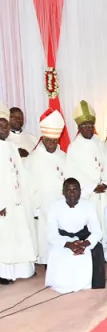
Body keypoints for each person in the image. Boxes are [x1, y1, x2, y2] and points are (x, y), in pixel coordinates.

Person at [45, 179, 105, 294]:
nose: (72, 193)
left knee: (87, 255)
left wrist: (85, 244)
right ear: (63, 192)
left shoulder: (88, 205)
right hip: (62, 241)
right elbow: (51, 234)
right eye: (68, 190)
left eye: (75, 190)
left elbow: (97, 232)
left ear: (80, 192)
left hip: (83, 240)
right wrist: (68, 245)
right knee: (61, 255)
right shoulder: (54, 206)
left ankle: (86, 283)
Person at [26, 108, 67, 265]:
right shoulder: (33, 159)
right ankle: (47, 260)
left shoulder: (63, 156)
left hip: (62, 203)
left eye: (54, 140)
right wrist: (35, 207)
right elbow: (29, 185)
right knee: (45, 233)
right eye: (48, 140)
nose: (52, 143)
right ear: (42, 138)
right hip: (44, 206)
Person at [0, 103, 36, 285]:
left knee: (20, 233)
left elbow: (21, 173)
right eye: (1, 125)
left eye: (5, 125)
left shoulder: (11, 146)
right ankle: (4, 273)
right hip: (3, 203)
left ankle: (22, 270)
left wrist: (27, 195)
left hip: (17, 199)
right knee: (5, 238)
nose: (4, 128)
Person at [65, 101, 107, 235]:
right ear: (79, 127)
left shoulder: (100, 143)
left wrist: (105, 183)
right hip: (88, 196)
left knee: (105, 226)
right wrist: (92, 187)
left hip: (104, 195)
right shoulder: (74, 147)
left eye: (91, 125)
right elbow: (72, 173)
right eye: (85, 126)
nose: (88, 128)